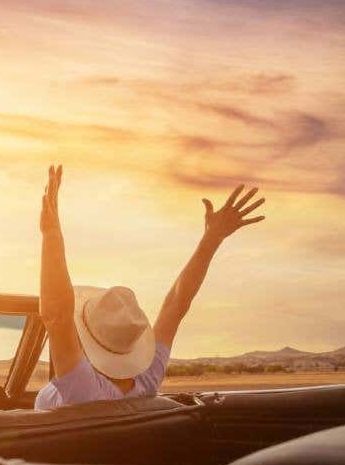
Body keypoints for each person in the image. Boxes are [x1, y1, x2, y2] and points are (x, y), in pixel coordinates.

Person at [35, 165, 266, 410]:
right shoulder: (148, 380)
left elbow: (58, 315)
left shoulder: (83, 390)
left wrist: (51, 235)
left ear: (85, 339)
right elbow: (176, 305)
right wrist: (211, 239)